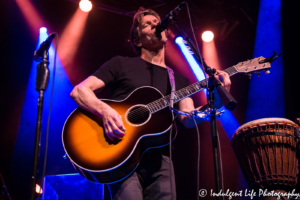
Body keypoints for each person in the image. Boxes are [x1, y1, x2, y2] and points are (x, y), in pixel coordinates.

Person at [70, 7, 231, 200]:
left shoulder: (178, 80)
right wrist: (106, 111)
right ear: (136, 40)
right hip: (120, 153)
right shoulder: (121, 64)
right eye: (148, 24)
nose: (156, 24)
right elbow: (79, 91)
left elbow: (188, 119)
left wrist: (219, 102)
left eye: (157, 22)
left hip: (162, 160)